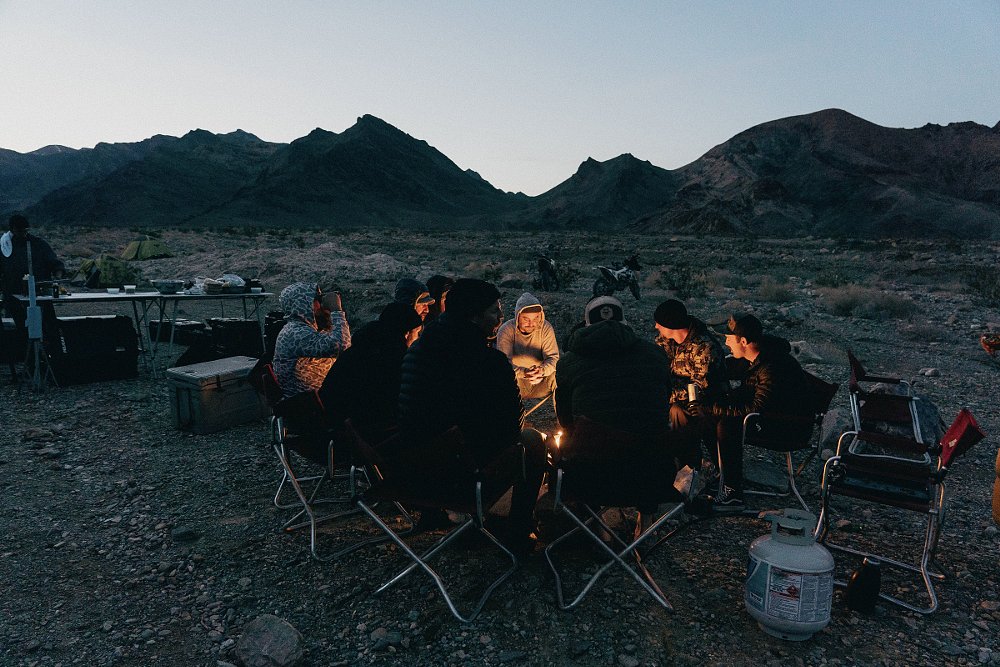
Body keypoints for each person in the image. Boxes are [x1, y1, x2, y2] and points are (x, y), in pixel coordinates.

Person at [397, 278, 546, 555]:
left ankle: (440, 516)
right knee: (533, 441)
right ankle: (518, 528)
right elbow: (513, 427)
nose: (501, 318)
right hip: (464, 476)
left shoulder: (417, 350)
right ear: (474, 317)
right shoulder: (488, 362)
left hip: (415, 469)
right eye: (494, 311)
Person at [555, 296, 683, 531]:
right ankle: (645, 523)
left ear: (586, 325)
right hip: (653, 478)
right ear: (624, 322)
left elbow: (565, 421)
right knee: (647, 434)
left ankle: (595, 527)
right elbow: (662, 406)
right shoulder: (655, 355)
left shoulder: (569, 362)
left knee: (580, 448)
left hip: (590, 478)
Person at [690, 313, 811, 509]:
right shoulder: (759, 359)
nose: (727, 344)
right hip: (772, 418)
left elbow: (756, 407)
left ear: (743, 341)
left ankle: (732, 494)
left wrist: (717, 407)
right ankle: (725, 478)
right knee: (709, 417)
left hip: (789, 427)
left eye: (729, 339)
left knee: (728, 424)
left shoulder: (772, 366)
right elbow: (750, 393)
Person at [319, 302, 421, 445]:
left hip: (330, 425)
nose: (417, 339)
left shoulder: (362, 348)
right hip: (358, 434)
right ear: (406, 333)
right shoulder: (392, 358)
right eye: (416, 333)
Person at [653, 298, 728, 465]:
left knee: (678, 412)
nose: (656, 327)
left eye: (658, 323)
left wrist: (664, 394)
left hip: (707, 400)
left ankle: (690, 465)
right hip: (673, 395)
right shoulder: (664, 342)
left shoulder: (704, 347)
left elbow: (699, 388)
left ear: (670, 325)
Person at [272, 282, 350, 398]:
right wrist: (336, 310)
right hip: (308, 404)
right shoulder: (296, 334)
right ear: (303, 305)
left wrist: (328, 316)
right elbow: (342, 346)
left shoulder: (302, 329)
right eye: (317, 299)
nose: (321, 304)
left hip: (313, 397)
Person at [0, 214, 64, 338]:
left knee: (47, 326)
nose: (23, 233)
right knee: (20, 329)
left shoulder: (38, 244)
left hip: (40, 293)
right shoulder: (4, 246)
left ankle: (50, 353)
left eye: (25, 230)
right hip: (13, 295)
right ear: (12, 229)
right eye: (19, 230)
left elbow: (54, 263)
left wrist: (58, 275)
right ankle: (25, 355)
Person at [494, 292, 559, 401]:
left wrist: (542, 371)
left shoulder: (545, 328)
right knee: (499, 377)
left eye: (535, 318)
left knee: (560, 375)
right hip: (516, 382)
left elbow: (553, 358)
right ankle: (510, 416)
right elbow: (504, 364)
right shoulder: (506, 330)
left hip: (541, 379)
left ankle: (564, 417)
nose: (531, 323)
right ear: (517, 316)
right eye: (526, 319)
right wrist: (524, 372)